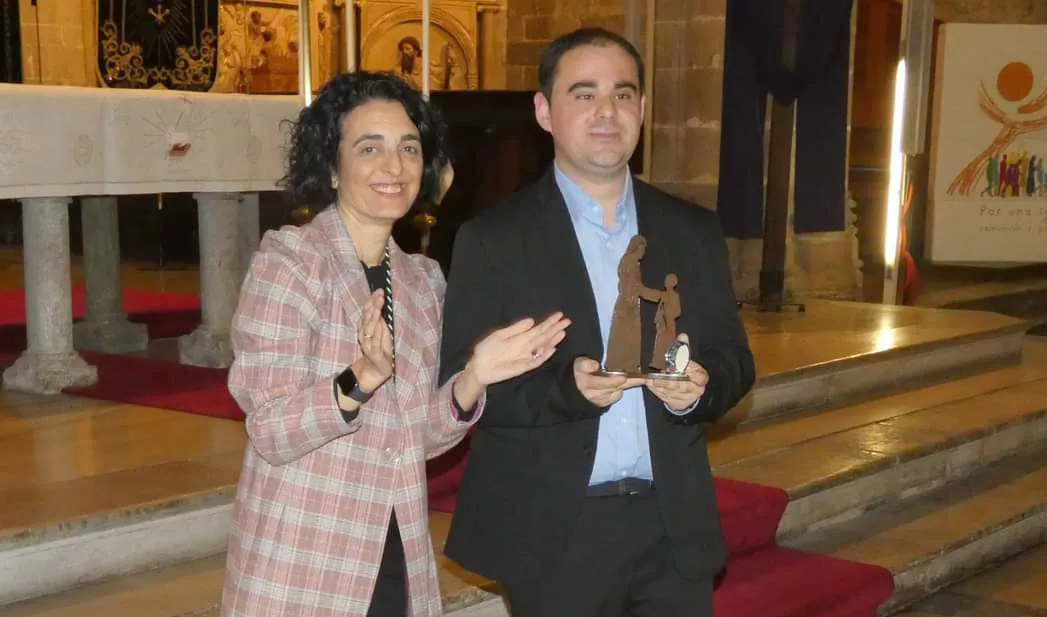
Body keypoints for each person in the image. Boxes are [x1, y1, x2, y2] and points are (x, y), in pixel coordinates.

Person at [220, 71, 570, 617]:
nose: (395, 166)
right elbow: (269, 429)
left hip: (396, 552)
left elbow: (416, 440)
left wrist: (474, 376)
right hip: (306, 558)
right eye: (370, 148)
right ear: (332, 168)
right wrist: (357, 381)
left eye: (409, 147)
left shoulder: (422, 280)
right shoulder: (289, 265)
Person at [439, 28, 755, 617]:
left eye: (623, 94)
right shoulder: (494, 241)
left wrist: (699, 390)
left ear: (642, 109)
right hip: (558, 528)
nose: (606, 112)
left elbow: (735, 361)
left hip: (671, 522)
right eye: (583, 95)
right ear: (544, 110)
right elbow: (460, 386)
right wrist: (568, 390)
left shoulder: (691, 231)